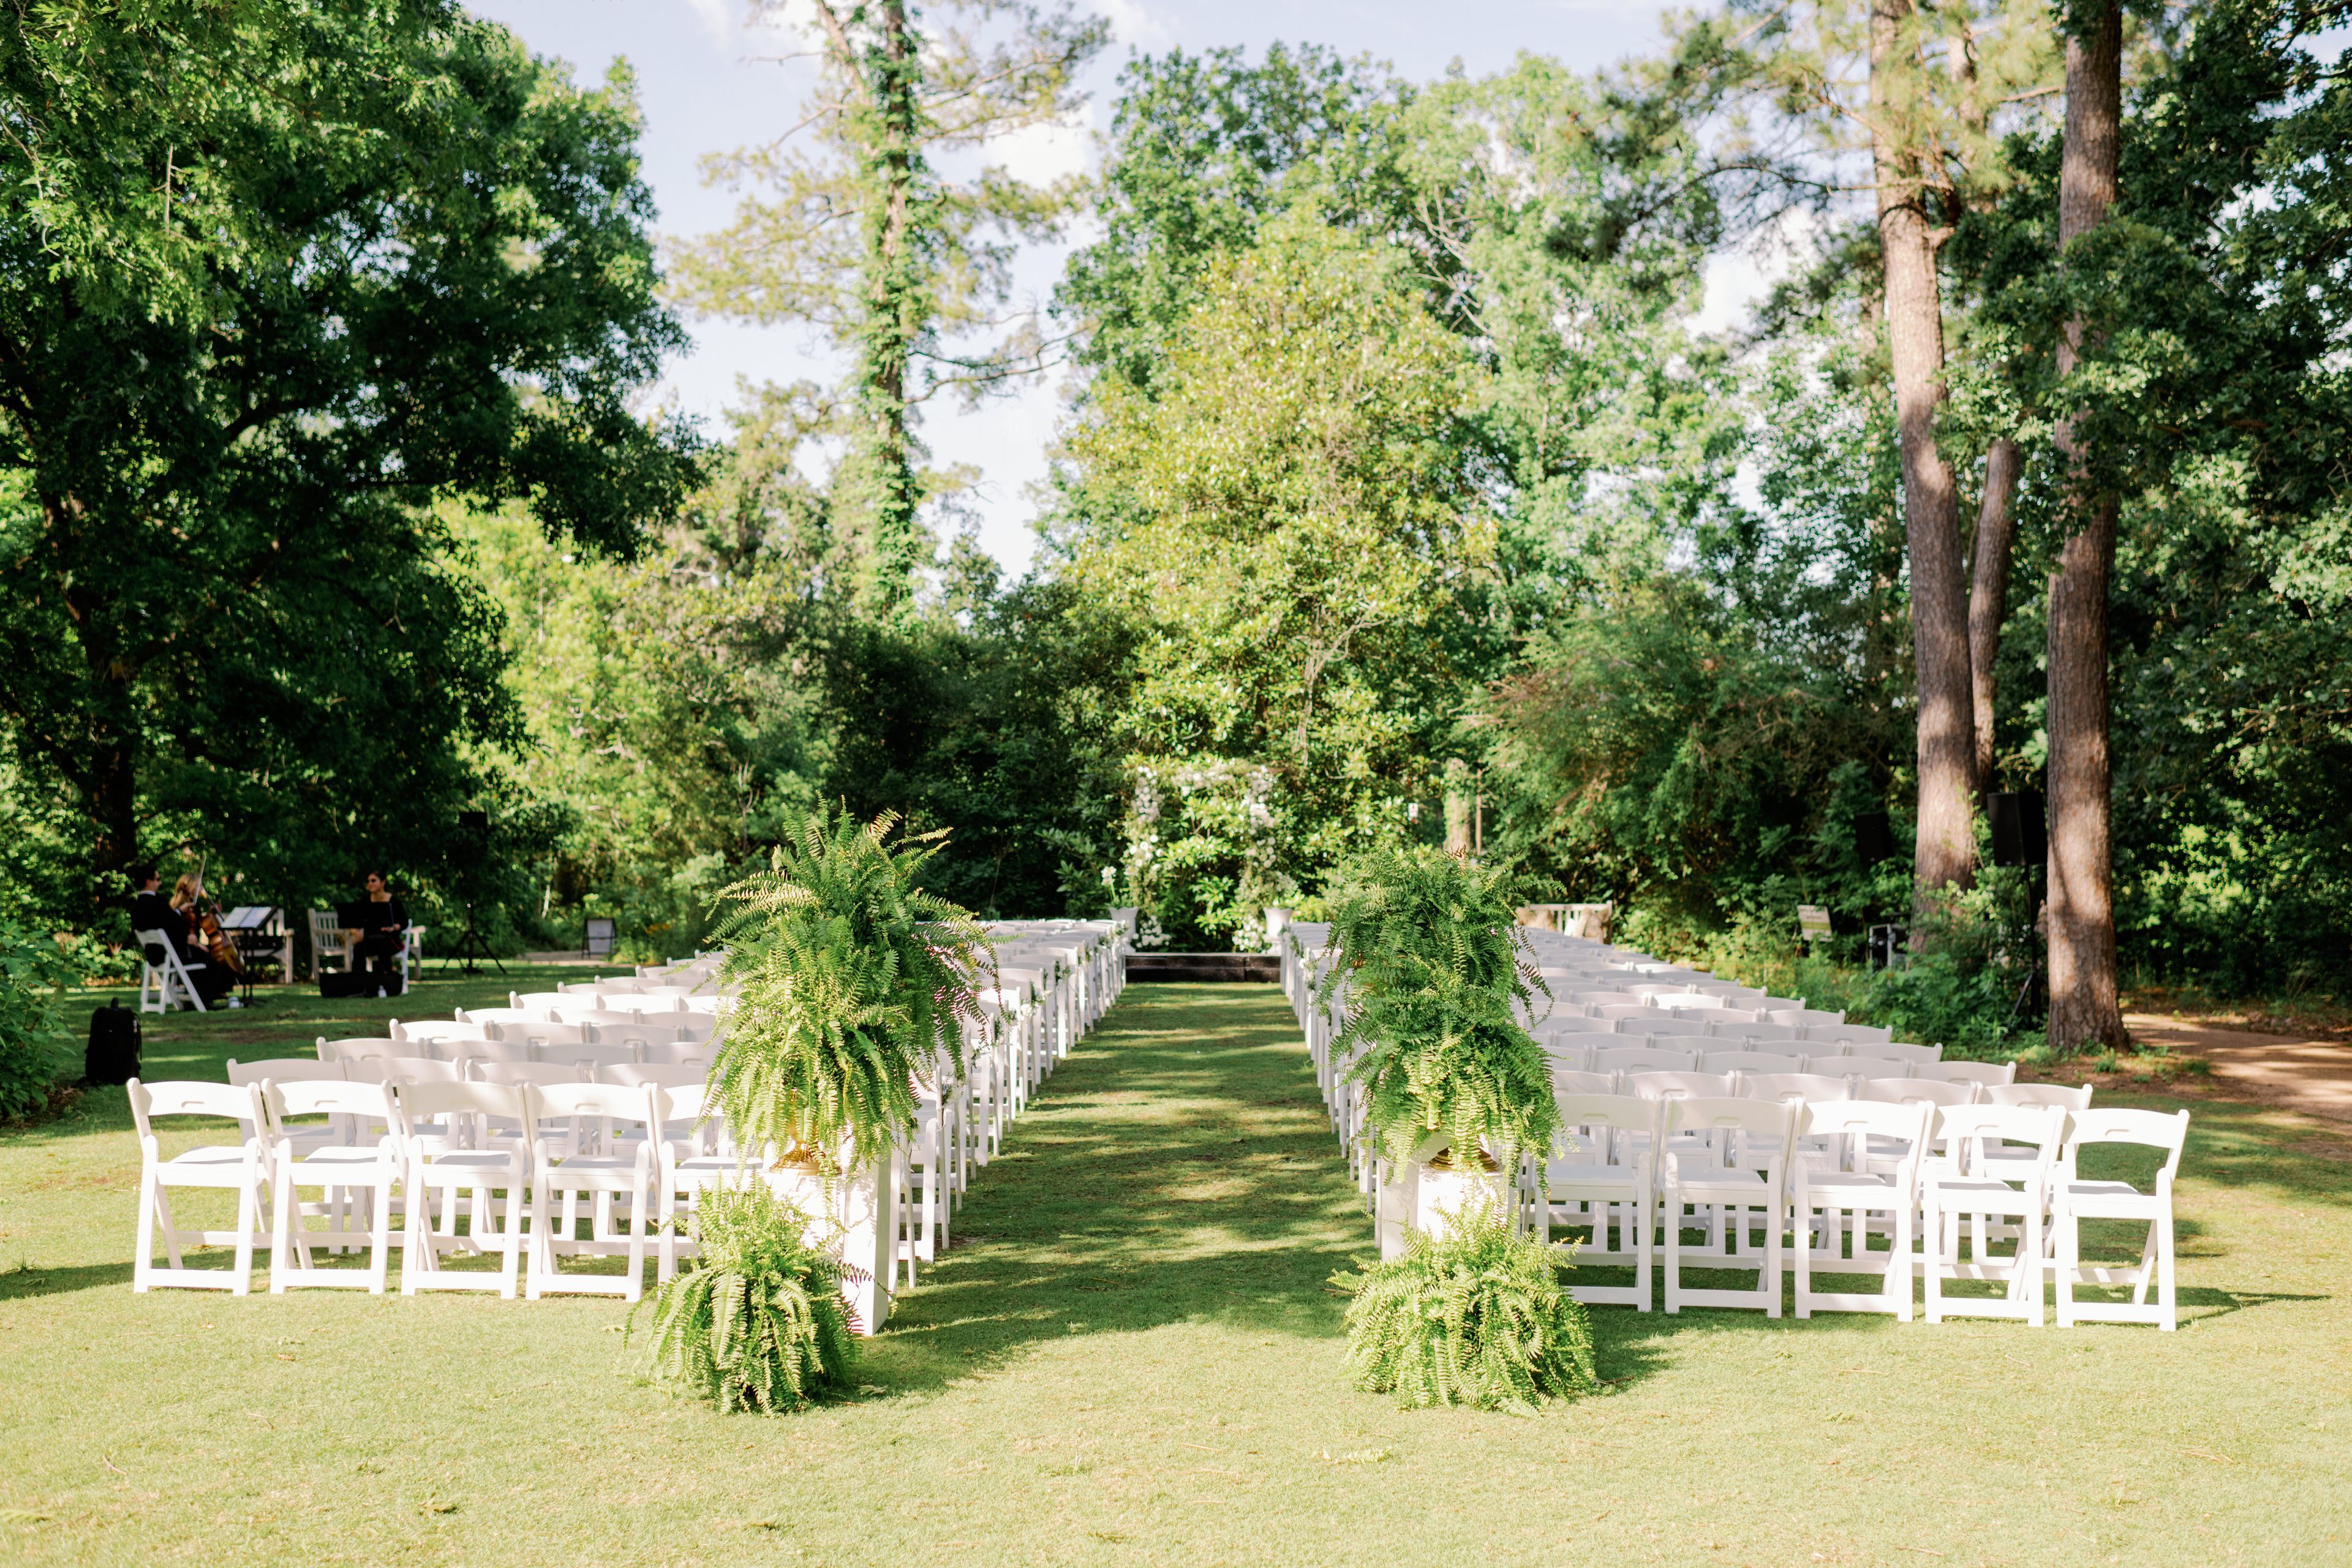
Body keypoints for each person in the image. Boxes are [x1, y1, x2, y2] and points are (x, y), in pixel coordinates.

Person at [129, 867, 235, 1007]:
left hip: (154, 955)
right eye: (158, 880)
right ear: (149, 882)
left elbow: (165, 924)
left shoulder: (136, 906)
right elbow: (172, 926)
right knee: (213, 965)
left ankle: (199, 998)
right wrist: (186, 939)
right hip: (173, 955)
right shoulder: (158, 902)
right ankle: (202, 1002)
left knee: (206, 959)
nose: (160, 883)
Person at [346, 870, 410, 991]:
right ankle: (359, 985)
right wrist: (356, 932)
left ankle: (387, 983)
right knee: (359, 948)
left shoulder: (394, 901)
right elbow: (352, 922)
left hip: (390, 941)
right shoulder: (365, 902)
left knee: (383, 947)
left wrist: (393, 928)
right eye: (368, 881)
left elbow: (404, 923)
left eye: (374, 880)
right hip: (370, 941)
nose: (370, 883)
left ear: (383, 882)